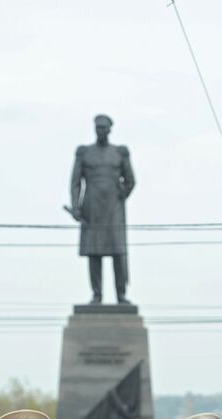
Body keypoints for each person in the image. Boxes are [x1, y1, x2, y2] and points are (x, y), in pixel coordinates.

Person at [70, 114, 135, 305]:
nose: (100, 131)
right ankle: (97, 294)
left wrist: (121, 194)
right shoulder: (84, 152)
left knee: (118, 251)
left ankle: (121, 295)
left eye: (103, 128)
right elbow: (75, 182)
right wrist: (76, 207)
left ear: (109, 130)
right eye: (97, 127)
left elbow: (130, 180)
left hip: (114, 206)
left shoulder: (119, 152)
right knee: (94, 250)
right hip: (91, 206)